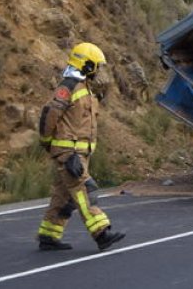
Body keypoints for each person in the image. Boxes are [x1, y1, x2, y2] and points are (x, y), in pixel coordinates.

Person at [36, 42, 125, 252]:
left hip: (77, 153)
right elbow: (50, 115)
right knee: (85, 191)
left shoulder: (83, 87)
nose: (98, 70)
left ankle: (48, 235)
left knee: (63, 196)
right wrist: (49, 143)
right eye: (96, 65)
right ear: (86, 65)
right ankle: (102, 233)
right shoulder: (68, 87)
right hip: (70, 154)